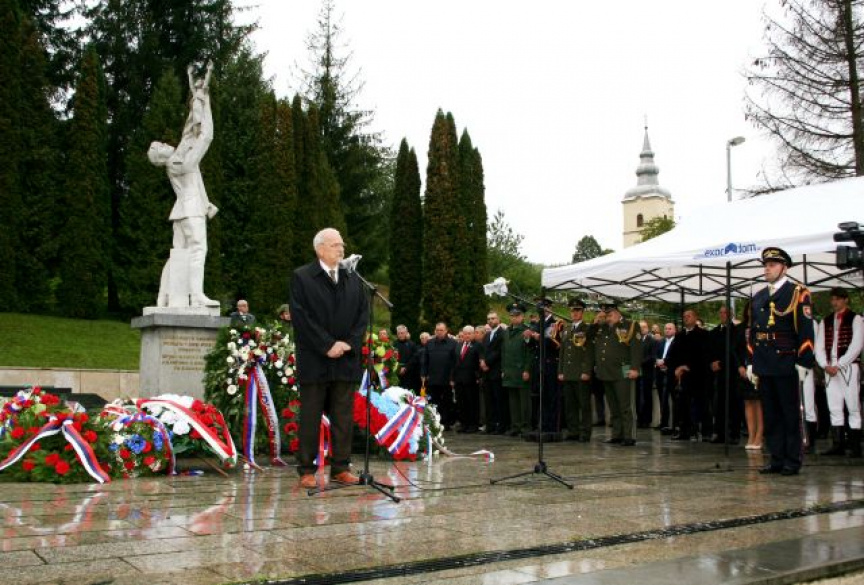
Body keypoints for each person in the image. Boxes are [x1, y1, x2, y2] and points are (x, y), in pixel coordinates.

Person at [290, 228, 369, 488]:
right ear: (320, 249)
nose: (341, 249)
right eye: (335, 245)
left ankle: (341, 468)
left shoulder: (353, 278)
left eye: (342, 245)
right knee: (311, 416)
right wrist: (327, 345)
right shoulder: (303, 277)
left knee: (343, 417)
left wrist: (348, 344)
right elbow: (301, 317)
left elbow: (362, 316)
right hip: (315, 359)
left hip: (345, 358)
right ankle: (306, 469)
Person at [150, 61, 219, 309]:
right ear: (161, 157)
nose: (165, 144)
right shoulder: (178, 163)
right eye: (161, 147)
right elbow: (205, 137)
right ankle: (196, 295)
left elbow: (190, 130)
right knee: (198, 249)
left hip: (182, 212)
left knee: (178, 253)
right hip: (190, 211)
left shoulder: (177, 156)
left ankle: (163, 295)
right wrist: (205, 105)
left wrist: (199, 96)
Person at [749, 247, 815, 476]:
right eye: (766, 265)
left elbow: (806, 330)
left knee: (789, 414)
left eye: (772, 265)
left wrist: (804, 361)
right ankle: (776, 458)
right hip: (764, 363)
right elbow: (753, 332)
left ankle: (792, 460)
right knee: (771, 415)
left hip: (786, 361)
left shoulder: (797, 293)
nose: (767, 269)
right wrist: (751, 361)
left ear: (784, 268)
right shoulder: (759, 296)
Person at [816, 287, 863, 457]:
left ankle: (855, 445)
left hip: (848, 366)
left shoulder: (856, 319)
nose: (834, 302)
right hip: (830, 367)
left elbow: (857, 345)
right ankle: (838, 444)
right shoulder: (825, 321)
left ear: (845, 300)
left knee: (853, 405)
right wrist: (825, 364)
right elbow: (819, 347)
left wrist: (841, 364)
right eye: (832, 299)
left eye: (837, 299)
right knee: (834, 405)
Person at [590, 302, 640, 446]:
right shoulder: (603, 327)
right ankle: (617, 434)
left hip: (623, 371)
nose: (608, 318)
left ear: (618, 313)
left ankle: (629, 436)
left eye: (610, 315)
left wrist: (635, 368)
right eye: (606, 316)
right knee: (613, 406)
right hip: (606, 372)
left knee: (625, 406)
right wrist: (595, 322)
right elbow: (589, 336)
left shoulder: (630, 325)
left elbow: (636, 348)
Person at [666, 309, 711, 441]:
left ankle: (706, 432)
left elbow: (704, 355)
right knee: (682, 404)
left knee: (701, 404)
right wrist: (677, 368)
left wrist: (688, 366)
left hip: (698, 375)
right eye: (684, 316)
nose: (686, 318)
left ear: (695, 318)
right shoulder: (680, 335)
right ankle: (684, 430)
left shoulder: (703, 334)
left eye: (689, 316)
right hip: (683, 376)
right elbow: (673, 354)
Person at [557, 299, 594, 442]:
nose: (574, 313)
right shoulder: (567, 329)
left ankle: (585, 432)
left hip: (580, 372)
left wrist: (586, 371)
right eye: (572, 311)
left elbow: (589, 352)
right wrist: (561, 371)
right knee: (570, 405)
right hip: (568, 372)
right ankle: (573, 431)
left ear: (582, 312)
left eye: (577, 310)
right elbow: (563, 352)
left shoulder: (586, 329)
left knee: (584, 405)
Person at [708, 306, 740, 444]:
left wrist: (721, 363)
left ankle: (733, 433)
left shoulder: (736, 331)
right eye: (720, 312)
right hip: (718, 373)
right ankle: (719, 432)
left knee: (733, 403)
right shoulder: (714, 332)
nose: (722, 315)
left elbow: (734, 351)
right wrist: (712, 362)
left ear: (731, 314)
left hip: (732, 372)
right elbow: (709, 350)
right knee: (718, 403)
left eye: (725, 313)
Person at [502, 302, 533, 437]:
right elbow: (503, 352)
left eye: (517, 315)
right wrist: (503, 369)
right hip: (509, 371)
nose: (514, 318)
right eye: (512, 315)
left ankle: (526, 426)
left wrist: (527, 369)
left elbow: (530, 352)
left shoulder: (526, 331)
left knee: (524, 401)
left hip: (521, 371)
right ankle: (515, 425)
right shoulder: (507, 332)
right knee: (513, 401)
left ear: (522, 316)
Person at [736, 301, 763, 451]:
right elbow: (734, 349)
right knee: (748, 402)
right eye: (749, 309)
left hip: (758, 368)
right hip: (744, 369)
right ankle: (751, 434)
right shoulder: (740, 328)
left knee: (758, 402)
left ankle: (759, 435)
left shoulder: (761, 326)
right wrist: (740, 366)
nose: (750, 312)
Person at [422, 322, 457, 429]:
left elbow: (455, 362)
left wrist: (452, 377)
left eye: (441, 330)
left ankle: (446, 423)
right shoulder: (429, 343)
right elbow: (425, 360)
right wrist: (423, 373)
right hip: (432, 378)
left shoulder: (453, 343)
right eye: (437, 330)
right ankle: (434, 422)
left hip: (447, 378)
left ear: (446, 331)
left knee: (447, 401)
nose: (439, 332)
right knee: (433, 401)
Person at [481, 312, 507, 434]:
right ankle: (490, 425)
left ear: (498, 319)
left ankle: (500, 425)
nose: (490, 320)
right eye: (488, 319)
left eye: (493, 318)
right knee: (489, 400)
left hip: (496, 370)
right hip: (486, 372)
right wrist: (482, 361)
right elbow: (483, 350)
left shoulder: (502, 333)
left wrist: (486, 362)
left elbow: (499, 351)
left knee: (499, 400)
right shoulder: (487, 335)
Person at [453, 326, 482, 433]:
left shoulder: (478, 345)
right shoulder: (459, 345)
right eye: (465, 333)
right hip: (459, 379)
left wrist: (478, 376)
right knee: (461, 403)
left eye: (469, 333)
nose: (467, 335)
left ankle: (473, 425)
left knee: (472, 402)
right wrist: (453, 377)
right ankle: (464, 424)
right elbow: (455, 362)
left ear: (473, 334)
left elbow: (480, 362)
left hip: (471, 379)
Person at [654, 322, 677, 434]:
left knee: (674, 399)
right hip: (660, 373)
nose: (667, 330)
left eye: (670, 328)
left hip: (672, 373)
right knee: (662, 399)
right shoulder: (660, 342)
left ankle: (676, 424)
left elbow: (675, 356)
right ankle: (664, 423)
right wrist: (658, 362)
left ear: (675, 330)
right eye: (666, 328)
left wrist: (665, 362)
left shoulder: (677, 342)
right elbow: (655, 354)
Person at [636, 320, 657, 429]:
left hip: (647, 373)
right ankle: (639, 419)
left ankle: (646, 420)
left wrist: (640, 362)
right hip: (637, 373)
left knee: (646, 397)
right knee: (637, 397)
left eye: (644, 327)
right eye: (640, 327)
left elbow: (652, 356)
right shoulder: (636, 340)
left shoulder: (652, 340)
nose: (642, 329)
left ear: (647, 328)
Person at [590, 310, 608, 427]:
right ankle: (600, 418)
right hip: (595, 368)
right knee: (598, 395)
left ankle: (612, 418)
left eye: (603, 317)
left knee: (610, 394)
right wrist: (594, 324)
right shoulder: (593, 331)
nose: (601, 319)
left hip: (606, 368)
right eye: (599, 317)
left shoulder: (608, 330)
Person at [394, 325, 421, 392]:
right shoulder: (394, 344)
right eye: (399, 333)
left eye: (402, 333)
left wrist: (405, 367)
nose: (400, 335)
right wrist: (398, 368)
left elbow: (414, 358)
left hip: (409, 374)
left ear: (406, 333)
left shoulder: (412, 344)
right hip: (396, 373)